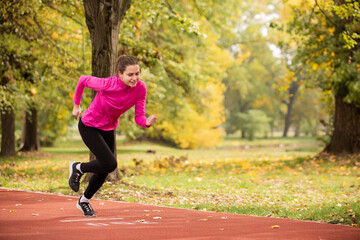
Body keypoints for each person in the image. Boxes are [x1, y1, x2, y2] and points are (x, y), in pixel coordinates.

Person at [69, 55, 157, 217]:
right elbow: (82, 80)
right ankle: (78, 167)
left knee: (106, 167)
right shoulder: (107, 83)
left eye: (137, 74)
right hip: (89, 125)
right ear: (120, 74)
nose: (134, 78)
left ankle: (84, 201)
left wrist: (147, 122)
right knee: (110, 163)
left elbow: (138, 117)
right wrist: (77, 105)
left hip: (108, 128)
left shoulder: (140, 89)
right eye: (130, 75)